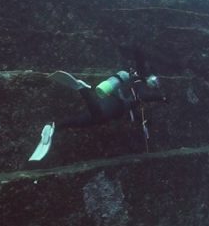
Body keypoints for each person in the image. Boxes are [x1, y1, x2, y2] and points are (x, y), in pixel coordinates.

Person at [29, 59, 166, 162]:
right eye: (155, 83)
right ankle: (82, 89)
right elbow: (145, 97)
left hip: (110, 102)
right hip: (115, 105)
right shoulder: (139, 86)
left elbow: (136, 106)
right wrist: (162, 98)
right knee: (97, 117)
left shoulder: (134, 81)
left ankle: (54, 126)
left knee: (84, 121)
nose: (154, 85)